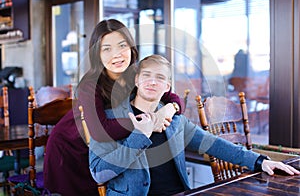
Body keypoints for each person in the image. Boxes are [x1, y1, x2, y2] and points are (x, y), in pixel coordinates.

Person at [89, 54, 300, 196]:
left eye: (160, 78)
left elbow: (214, 144)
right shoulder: (110, 120)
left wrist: (260, 161)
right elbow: (99, 173)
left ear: (167, 86)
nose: (152, 82)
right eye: (147, 76)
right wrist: (139, 137)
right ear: (136, 80)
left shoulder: (176, 121)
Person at [43, 20, 181, 196]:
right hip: (72, 147)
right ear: (96, 54)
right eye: (106, 48)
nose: (116, 54)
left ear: (131, 47)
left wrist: (170, 108)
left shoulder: (136, 74)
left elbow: (171, 96)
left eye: (122, 46)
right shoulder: (89, 85)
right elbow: (101, 131)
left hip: (107, 149)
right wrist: (146, 122)